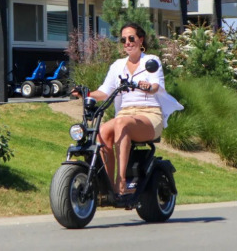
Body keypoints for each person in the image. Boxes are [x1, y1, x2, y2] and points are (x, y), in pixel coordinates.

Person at [74, 22, 183, 196]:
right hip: (125, 115)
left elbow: (156, 86)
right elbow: (104, 92)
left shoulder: (151, 61)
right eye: (123, 39)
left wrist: (148, 86)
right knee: (102, 131)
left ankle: (121, 181)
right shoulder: (117, 65)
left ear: (141, 40)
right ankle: (108, 188)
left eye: (131, 38)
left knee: (121, 124)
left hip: (149, 114)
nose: (127, 42)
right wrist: (85, 93)